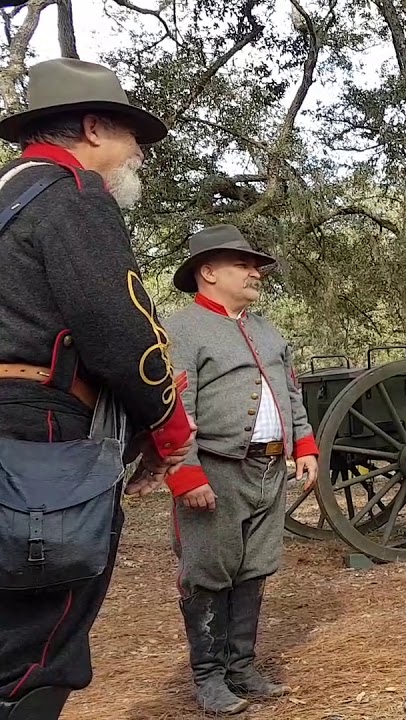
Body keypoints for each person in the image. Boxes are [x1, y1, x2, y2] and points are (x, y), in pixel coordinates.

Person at [0, 58, 195, 718]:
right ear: (91, 126)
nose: (137, 152)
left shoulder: (6, 196)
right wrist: (165, 433)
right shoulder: (74, 198)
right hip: (37, 441)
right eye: (130, 135)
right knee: (34, 648)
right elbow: (124, 338)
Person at [163, 224, 321, 714]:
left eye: (256, 266)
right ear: (208, 272)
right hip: (215, 469)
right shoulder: (180, 328)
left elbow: (292, 393)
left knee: (254, 567)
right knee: (208, 571)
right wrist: (185, 474)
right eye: (243, 265)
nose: (256, 273)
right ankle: (208, 677)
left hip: (270, 470)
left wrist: (305, 446)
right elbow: (174, 404)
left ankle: (241, 667)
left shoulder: (267, 330)